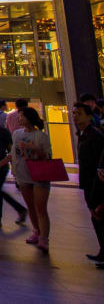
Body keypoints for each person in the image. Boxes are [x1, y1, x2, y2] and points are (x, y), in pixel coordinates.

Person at [11, 106, 52, 253]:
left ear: (30, 117)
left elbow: (48, 157)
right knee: (31, 207)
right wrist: (12, 167)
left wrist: (33, 148)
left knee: (41, 208)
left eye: (22, 116)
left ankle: (44, 238)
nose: (19, 118)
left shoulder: (41, 136)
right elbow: (14, 153)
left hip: (39, 176)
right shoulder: (16, 134)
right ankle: (36, 231)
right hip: (23, 175)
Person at [72, 102, 104, 262]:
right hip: (89, 182)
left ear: (89, 116)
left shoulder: (95, 136)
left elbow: (98, 163)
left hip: (96, 183)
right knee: (95, 217)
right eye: (74, 113)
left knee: (99, 216)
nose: (75, 117)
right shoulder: (83, 134)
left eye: (79, 113)